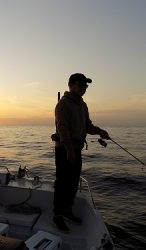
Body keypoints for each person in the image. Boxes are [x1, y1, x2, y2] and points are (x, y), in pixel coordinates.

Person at [52, 73, 110, 232]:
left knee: (73, 183)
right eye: (81, 85)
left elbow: (88, 126)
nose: (84, 88)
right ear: (71, 85)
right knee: (62, 183)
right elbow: (62, 128)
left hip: (76, 150)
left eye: (86, 86)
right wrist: (69, 150)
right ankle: (57, 216)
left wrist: (100, 131)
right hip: (65, 150)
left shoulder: (83, 105)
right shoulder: (63, 104)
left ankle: (67, 211)